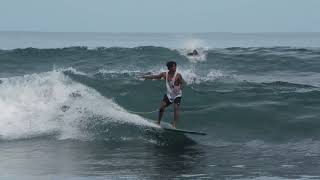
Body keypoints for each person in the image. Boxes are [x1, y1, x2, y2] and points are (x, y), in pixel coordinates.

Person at [142, 61, 184, 128]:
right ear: (169, 68)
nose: (175, 67)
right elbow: (156, 77)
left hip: (177, 95)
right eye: (173, 66)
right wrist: (146, 77)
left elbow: (182, 83)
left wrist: (179, 88)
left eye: (175, 66)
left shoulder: (178, 75)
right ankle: (158, 122)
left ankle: (174, 124)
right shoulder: (164, 74)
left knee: (176, 108)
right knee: (162, 107)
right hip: (169, 94)